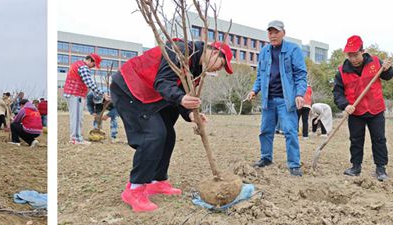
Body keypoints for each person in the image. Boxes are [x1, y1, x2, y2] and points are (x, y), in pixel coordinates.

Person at [112, 39, 233, 212]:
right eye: (221, 65)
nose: (218, 70)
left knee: (168, 135)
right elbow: (163, 81)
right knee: (154, 134)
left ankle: (157, 180)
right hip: (131, 86)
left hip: (153, 94)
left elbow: (180, 94)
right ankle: (135, 189)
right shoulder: (180, 50)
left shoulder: (196, 70)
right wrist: (181, 99)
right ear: (214, 53)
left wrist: (190, 114)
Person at [247, 20, 308, 177]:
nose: (273, 35)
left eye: (276, 32)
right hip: (268, 99)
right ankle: (266, 158)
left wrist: (299, 94)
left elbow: (301, 74)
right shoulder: (264, 51)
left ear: (283, 33)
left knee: (290, 131)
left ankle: (294, 164)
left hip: (286, 100)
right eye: (270, 32)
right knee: (265, 131)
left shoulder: (293, 49)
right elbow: (260, 75)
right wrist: (254, 90)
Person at [333, 35, 393, 181]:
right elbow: (337, 92)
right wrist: (345, 105)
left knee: (379, 139)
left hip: (375, 109)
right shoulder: (342, 71)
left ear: (362, 51)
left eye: (356, 55)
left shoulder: (375, 62)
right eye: (350, 55)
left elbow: (388, 76)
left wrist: (387, 69)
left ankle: (380, 169)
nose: (353, 59)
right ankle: (355, 167)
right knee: (356, 140)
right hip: (355, 111)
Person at [63, 54, 108, 145]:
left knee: (77, 117)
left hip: (72, 94)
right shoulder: (83, 67)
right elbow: (89, 83)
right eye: (94, 64)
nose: (93, 67)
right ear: (90, 60)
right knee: (77, 118)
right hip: (75, 94)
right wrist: (103, 93)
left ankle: (77, 138)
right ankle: (75, 139)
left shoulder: (77, 64)